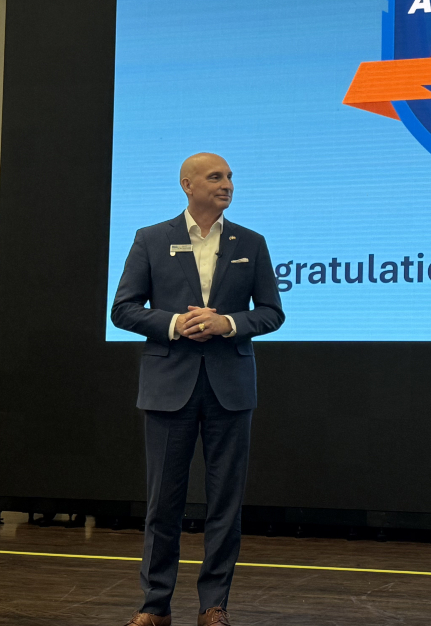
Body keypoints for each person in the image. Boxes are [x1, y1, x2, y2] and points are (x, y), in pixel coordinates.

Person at [112, 153, 285, 626]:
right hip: (170, 386)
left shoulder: (251, 242)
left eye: (230, 176)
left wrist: (227, 322)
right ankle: (155, 605)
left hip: (230, 387)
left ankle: (214, 605)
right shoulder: (151, 239)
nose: (227, 183)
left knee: (225, 504)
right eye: (216, 177)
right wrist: (174, 323)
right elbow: (123, 309)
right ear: (187, 185)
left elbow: (271, 312)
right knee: (162, 504)